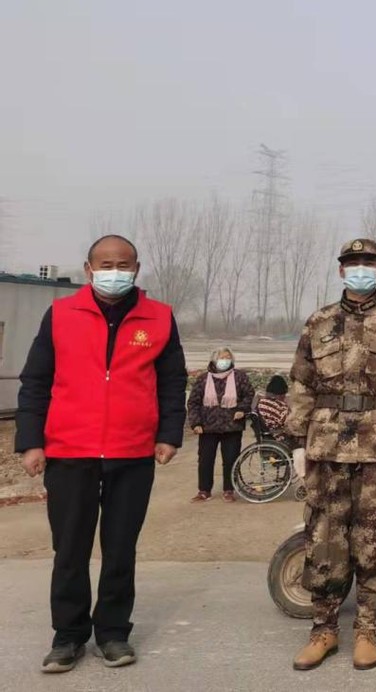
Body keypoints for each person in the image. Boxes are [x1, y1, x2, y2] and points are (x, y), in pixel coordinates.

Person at [13, 234, 187, 673]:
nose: (115, 271)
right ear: (89, 269)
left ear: (137, 268)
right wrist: (32, 441)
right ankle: (67, 636)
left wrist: (168, 434)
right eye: (106, 264)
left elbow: (171, 382)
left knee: (120, 547)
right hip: (71, 450)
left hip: (132, 453)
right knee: (69, 548)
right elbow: (35, 382)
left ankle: (112, 633)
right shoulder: (60, 315)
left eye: (123, 264)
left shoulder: (159, 318)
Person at [285, 238, 376, 672]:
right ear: (341, 270)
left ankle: (366, 626)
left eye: (368, 262)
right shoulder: (319, 322)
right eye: (352, 263)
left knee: (374, 538)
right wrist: (299, 443)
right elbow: (302, 382)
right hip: (326, 444)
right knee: (323, 538)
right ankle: (323, 629)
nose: (360, 269)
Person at [186, 347, 255, 502]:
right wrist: (195, 423)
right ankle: (204, 490)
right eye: (222, 357)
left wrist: (242, 410)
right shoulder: (203, 379)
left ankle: (229, 490)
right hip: (207, 427)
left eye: (228, 357)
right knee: (205, 460)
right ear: (214, 360)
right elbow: (193, 402)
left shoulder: (239, 377)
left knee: (230, 459)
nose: (225, 360)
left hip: (232, 426)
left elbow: (249, 395)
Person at [254, 374, 291, 438]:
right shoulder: (278, 406)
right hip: (277, 435)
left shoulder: (261, 402)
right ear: (280, 394)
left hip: (268, 431)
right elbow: (286, 420)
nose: (285, 397)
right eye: (284, 394)